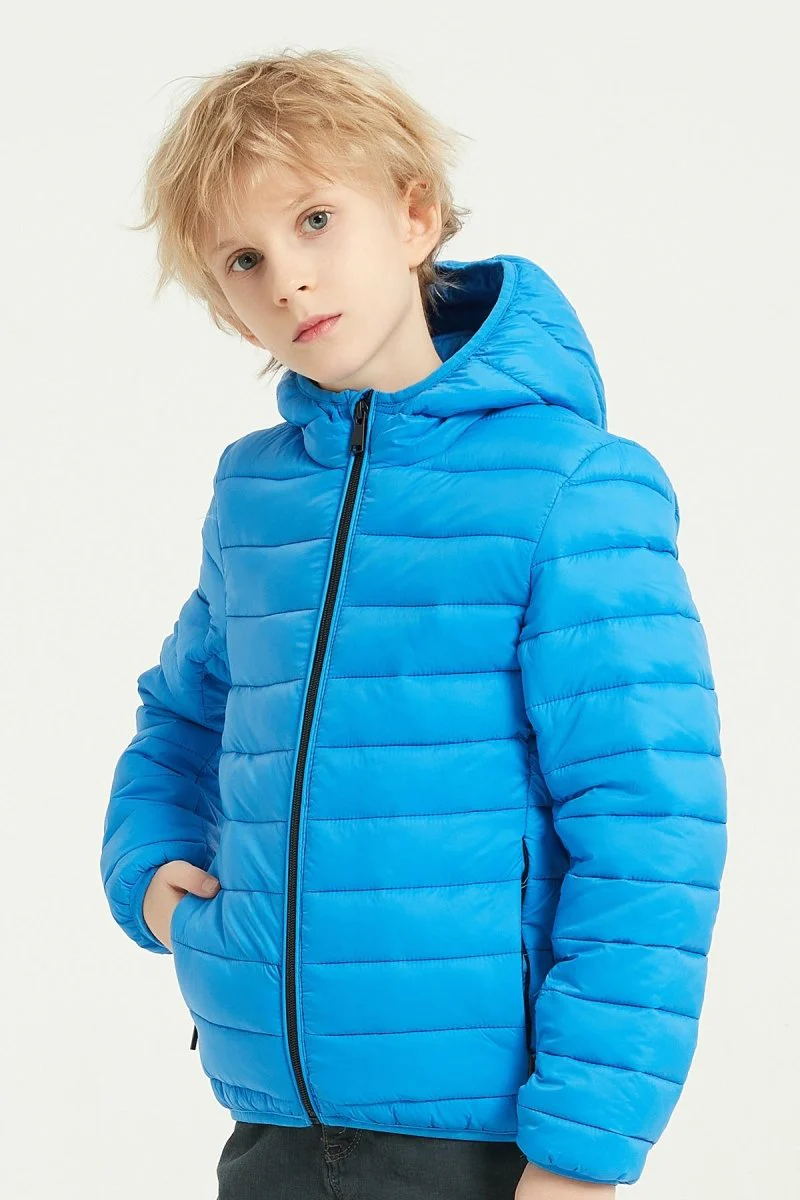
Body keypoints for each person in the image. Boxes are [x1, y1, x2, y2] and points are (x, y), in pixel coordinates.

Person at [99, 48, 727, 1200]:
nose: (288, 281)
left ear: (413, 213)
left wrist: (583, 1148)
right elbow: (182, 715)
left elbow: (647, 827)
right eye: (243, 259)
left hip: (478, 1140)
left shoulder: (570, 485)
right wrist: (145, 863)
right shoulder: (255, 494)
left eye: (314, 220)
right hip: (272, 1118)